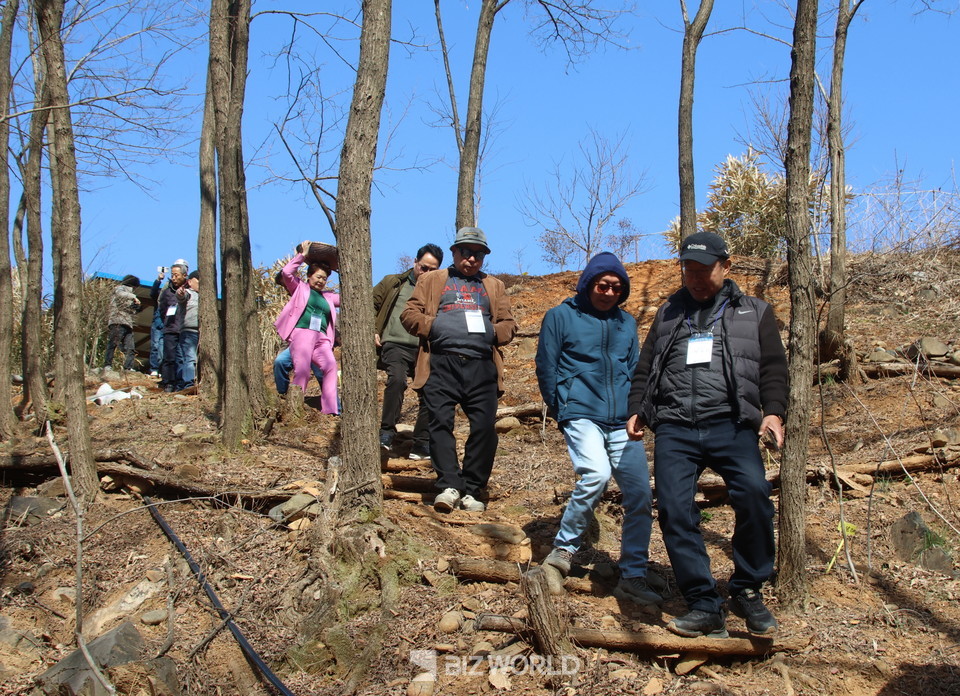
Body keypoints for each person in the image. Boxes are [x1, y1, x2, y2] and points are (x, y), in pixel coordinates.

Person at [627, 231, 788, 638]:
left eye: (704, 270)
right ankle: (703, 602)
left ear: (726, 267)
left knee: (754, 495)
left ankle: (748, 588)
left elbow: (772, 369)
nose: (695, 278)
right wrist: (637, 410)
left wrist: (773, 414)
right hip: (676, 428)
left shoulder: (754, 312)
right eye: (688, 270)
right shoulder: (667, 314)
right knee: (675, 511)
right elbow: (646, 366)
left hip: (731, 425)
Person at [535, 252, 665, 606]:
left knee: (639, 494)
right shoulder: (561, 316)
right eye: (602, 285)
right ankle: (562, 553)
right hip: (580, 412)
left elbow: (636, 370)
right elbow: (546, 364)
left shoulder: (625, 323)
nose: (608, 292)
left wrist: (638, 411)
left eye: (616, 287)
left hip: (622, 419)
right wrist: (562, 407)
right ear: (588, 283)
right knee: (595, 473)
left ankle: (633, 573)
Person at [400, 227, 516, 513]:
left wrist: (490, 333)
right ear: (454, 252)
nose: (472, 259)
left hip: (481, 365)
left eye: (478, 254)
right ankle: (449, 484)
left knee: (484, 428)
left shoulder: (495, 286)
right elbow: (409, 313)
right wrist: (435, 326)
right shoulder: (433, 280)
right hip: (441, 361)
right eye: (466, 252)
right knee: (439, 423)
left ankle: (473, 489)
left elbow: (509, 324)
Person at [374, 243, 443, 460]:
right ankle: (386, 433)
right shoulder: (393, 282)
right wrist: (372, 330)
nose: (427, 273)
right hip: (394, 344)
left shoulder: (440, 292)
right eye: (424, 267)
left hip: (424, 349)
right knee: (396, 381)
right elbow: (369, 304)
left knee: (431, 391)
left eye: (433, 270)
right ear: (415, 262)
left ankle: (421, 443)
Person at [274, 240, 341, 414]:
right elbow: (287, 272)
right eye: (318, 277)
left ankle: (331, 410)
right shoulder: (299, 288)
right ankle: (295, 409)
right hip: (302, 334)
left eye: (324, 279)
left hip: (322, 339)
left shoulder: (328, 297)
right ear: (309, 276)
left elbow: (346, 297)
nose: (321, 281)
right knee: (302, 370)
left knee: (330, 367)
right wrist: (302, 255)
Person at [153, 262, 189, 392]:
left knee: (182, 358)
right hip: (170, 328)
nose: (173, 278)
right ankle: (168, 382)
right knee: (168, 357)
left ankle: (181, 382)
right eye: (172, 275)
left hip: (184, 328)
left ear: (184, 275)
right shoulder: (167, 291)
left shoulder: (190, 289)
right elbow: (162, 309)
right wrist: (167, 321)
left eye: (176, 275)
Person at [103, 274, 141, 372]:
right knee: (113, 344)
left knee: (130, 347)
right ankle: (107, 365)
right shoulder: (119, 289)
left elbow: (130, 310)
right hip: (117, 321)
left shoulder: (128, 294)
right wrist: (134, 297)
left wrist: (135, 307)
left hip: (128, 323)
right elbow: (120, 294)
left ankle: (128, 367)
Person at [177, 270, 200, 391]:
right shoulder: (188, 293)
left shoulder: (206, 297)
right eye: (198, 280)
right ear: (190, 282)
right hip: (189, 331)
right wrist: (180, 292)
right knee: (190, 358)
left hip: (202, 333)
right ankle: (188, 383)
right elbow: (181, 296)